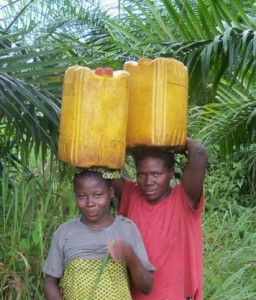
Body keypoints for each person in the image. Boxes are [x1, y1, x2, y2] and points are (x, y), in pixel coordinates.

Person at [113, 138, 208, 300]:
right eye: (141, 174)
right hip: (137, 294)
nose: (148, 182)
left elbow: (199, 152)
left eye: (156, 174)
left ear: (171, 172)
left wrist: (169, 136)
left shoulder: (184, 198)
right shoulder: (132, 195)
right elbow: (109, 168)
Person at [43, 169, 154, 300]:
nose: (90, 203)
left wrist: (130, 256)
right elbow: (50, 283)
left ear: (111, 192)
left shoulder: (126, 228)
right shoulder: (65, 232)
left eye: (97, 195)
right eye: (82, 196)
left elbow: (146, 287)